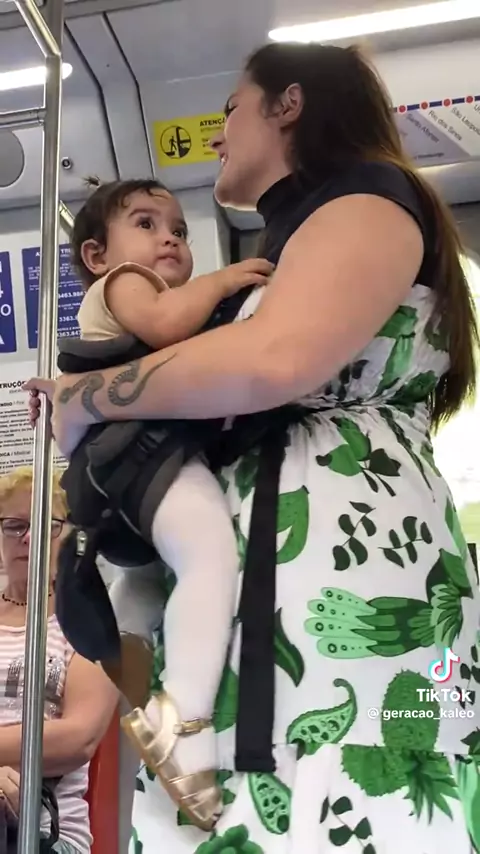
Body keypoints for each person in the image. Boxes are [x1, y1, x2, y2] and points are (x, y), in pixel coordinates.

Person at [26, 41, 480, 853]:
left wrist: (81, 397)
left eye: (232, 108)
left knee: (353, 788)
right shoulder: (294, 236)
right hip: (294, 568)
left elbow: (273, 359)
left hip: (342, 566)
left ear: (288, 104)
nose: (218, 132)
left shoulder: (364, 200)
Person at [57, 176, 273, 830]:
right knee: (209, 555)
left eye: (179, 229)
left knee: (154, 579)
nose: (170, 239)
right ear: (98, 255)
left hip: (122, 471)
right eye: (147, 224)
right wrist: (224, 280)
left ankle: (134, 659)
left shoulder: (141, 293)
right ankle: (184, 721)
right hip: (146, 457)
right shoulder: (127, 284)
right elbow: (168, 323)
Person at [0, 466, 118, 854]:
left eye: (46, 525)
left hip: (47, 832)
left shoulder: (89, 622)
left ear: (69, 536)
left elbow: (78, 738)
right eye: (14, 525)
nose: (27, 537)